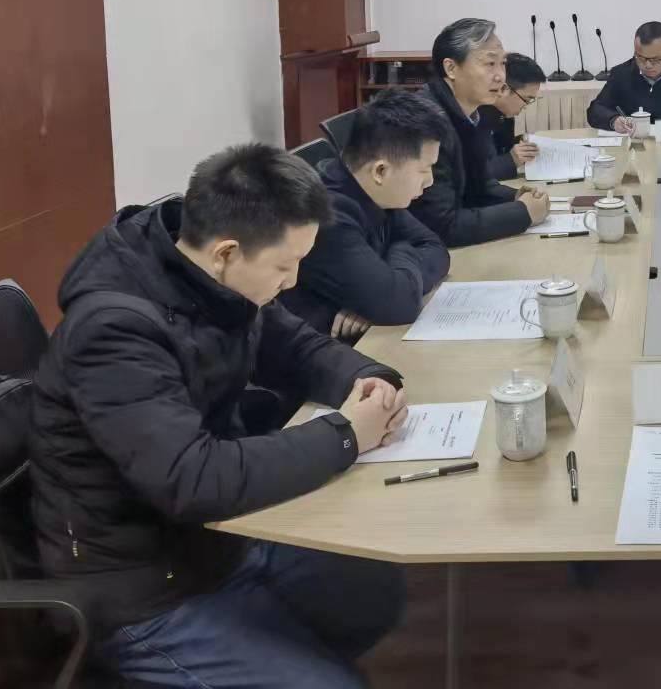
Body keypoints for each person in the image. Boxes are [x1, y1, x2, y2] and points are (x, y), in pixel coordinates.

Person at [29, 143, 412, 689]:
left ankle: (280, 655)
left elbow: (296, 348)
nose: (293, 281)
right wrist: (346, 434)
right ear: (226, 252)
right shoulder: (114, 332)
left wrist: (369, 378)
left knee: (373, 591)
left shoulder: (213, 280)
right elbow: (191, 478)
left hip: (218, 540)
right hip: (143, 589)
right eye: (284, 266)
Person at [283, 89, 451, 339]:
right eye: (424, 170)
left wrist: (378, 292)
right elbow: (399, 304)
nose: (429, 181)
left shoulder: (375, 191)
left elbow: (436, 248)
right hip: (319, 345)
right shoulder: (329, 215)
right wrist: (382, 291)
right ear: (380, 171)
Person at [413, 17, 549, 245]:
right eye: (489, 63)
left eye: (502, 64)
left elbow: (478, 186)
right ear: (451, 68)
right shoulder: (426, 123)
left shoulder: (470, 114)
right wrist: (522, 212)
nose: (500, 76)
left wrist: (516, 197)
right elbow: (442, 225)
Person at [485, 51, 544, 180]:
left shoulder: (503, 113)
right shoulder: (472, 116)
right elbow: (472, 176)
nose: (526, 105)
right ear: (503, 89)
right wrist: (511, 160)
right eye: (526, 99)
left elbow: (501, 148)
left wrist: (520, 143)